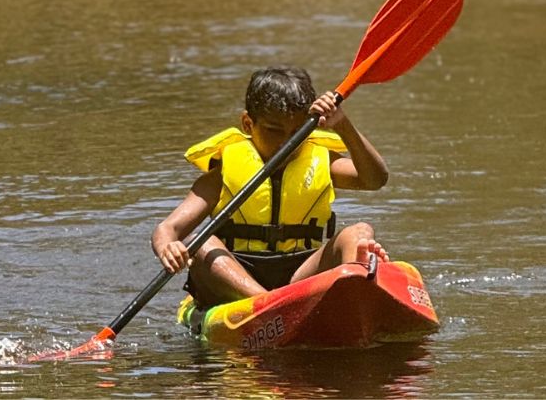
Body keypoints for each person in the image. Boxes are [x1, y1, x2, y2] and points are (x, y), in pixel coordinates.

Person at [151, 66, 391, 308]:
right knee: (201, 243)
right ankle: (268, 303)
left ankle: (359, 289)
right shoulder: (222, 173)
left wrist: (342, 124)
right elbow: (168, 228)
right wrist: (168, 247)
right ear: (247, 124)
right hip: (236, 280)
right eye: (274, 130)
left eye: (297, 132)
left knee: (359, 233)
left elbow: (375, 179)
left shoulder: (324, 162)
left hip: (301, 274)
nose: (286, 142)